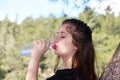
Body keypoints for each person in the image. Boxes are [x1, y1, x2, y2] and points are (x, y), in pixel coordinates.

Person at [25, 18, 98, 80]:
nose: (56, 39)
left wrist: (35, 59)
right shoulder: (65, 75)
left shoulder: (74, 77)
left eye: (62, 36)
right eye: (57, 34)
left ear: (77, 44)